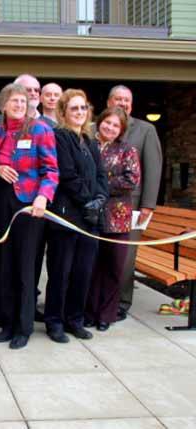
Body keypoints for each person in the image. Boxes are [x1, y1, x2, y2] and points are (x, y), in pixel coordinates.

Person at [0, 83, 58, 350]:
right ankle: (7, 323)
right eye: (14, 101)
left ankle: (23, 326)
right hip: (3, 204)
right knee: (5, 264)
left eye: (23, 101)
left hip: (29, 206)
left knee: (25, 267)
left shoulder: (41, 130)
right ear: (3, 105)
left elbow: (51, 170)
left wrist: (43, 196)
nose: (20, 105)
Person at [44, 89, 108, 343]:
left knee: (83, 272)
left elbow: (102, 175)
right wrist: (88, 200)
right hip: (67, 216)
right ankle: (54, 321)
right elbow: (68, 175)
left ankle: (75, 320)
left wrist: (101, 198)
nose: (80, 112)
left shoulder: (90, 141)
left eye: (83, 108)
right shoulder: (59, 137)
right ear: (63, 112)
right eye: (74, 108)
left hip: (91, 219)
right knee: (61, 272)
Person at [107, 85, 163, 322]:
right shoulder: (100, 127)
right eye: (118, 99)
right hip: (103, 205)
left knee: (126, 257)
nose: (123, 103)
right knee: (103, 255)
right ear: (109, 102)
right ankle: (101, 300)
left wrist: (148, 205)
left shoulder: (145, 130)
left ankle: (122, 302)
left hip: (133, 206)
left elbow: (154, 166)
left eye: (127, 100)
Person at [87, 107, 140, 331]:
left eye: (116, 125)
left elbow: (131, 180)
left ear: (121, 130)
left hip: (117, 219)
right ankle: (88, 312)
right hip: (90, 216)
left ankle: (106, 315)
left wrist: (100, 184)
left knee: (113, 267)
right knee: (91, 266)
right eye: (107, 123)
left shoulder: (127, 150)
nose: (110, 128)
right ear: (100, 122)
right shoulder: (88, 144)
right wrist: (105, 179)